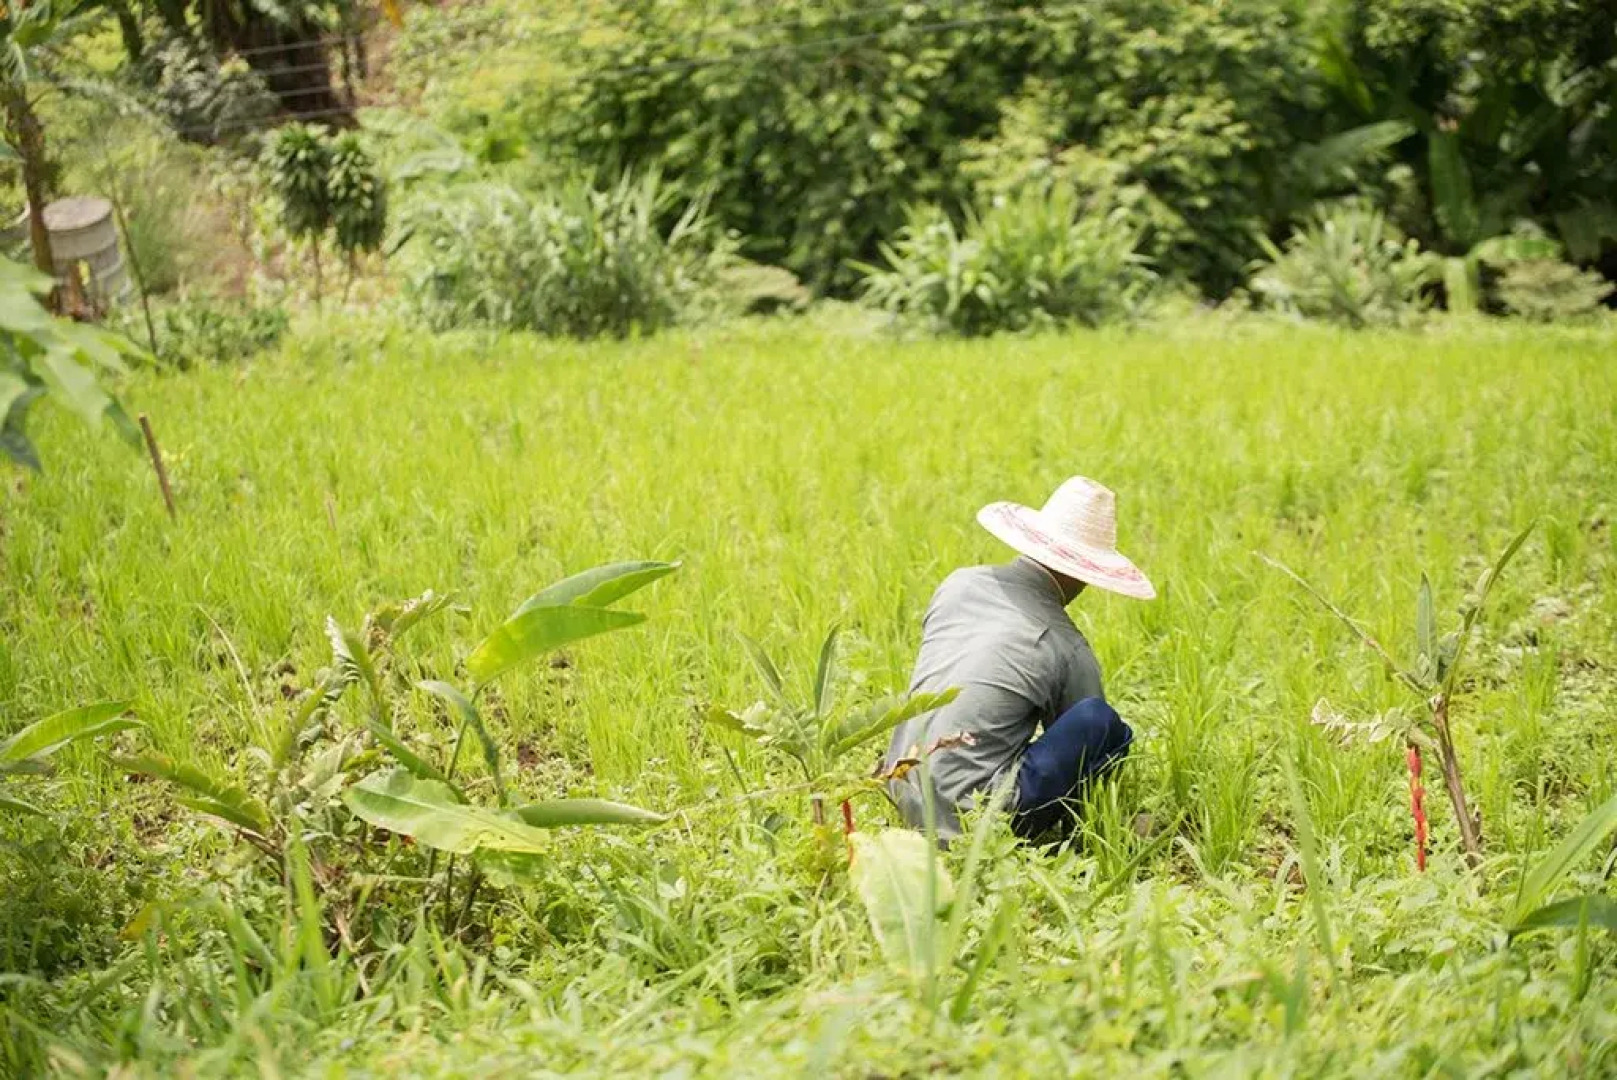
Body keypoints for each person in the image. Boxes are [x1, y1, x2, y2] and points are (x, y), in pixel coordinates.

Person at [881, 476, 1154, 841]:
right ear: (1085, 574)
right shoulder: (1066, 646)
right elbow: (1084, 742)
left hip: (900, 785)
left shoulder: (959, 583)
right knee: (1102, 724)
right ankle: (1089, 832)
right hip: (970, 825)